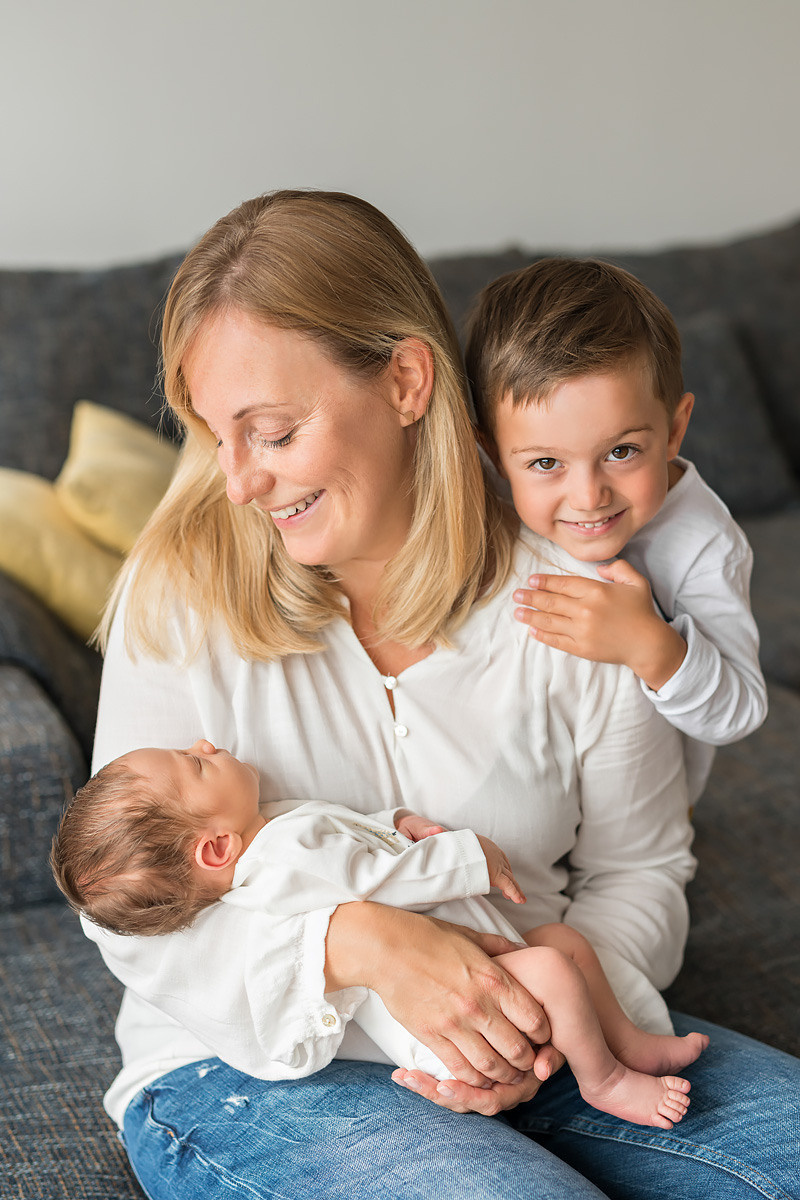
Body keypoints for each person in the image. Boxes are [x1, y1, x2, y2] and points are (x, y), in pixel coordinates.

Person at [84, 189, 800, 1200]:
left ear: (409, 379)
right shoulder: (184, 598)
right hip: (259, 1064)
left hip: (555, 1031)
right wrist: (358, 943)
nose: (240, 482)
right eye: (218, 437)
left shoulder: (580, 600)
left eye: (274, 433)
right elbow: (128, 910)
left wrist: (532, 1025)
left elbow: (638, 869)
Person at [52, 739, 709, 1129]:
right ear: (217, 848)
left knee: (562, 943)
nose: (203, 744)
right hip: (448, 1023)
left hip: (478, 972)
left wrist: (394, 819)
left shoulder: (273, 836)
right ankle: (606, 1082)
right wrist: (468, 855)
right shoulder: (280, 857)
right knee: (557, 968)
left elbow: (346, 837)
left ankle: (631, 1043)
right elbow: (379, 878)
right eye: (192, 764)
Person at [465, 258, 768, 805]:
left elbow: (740, 711)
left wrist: (651, 646)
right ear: (492, 453)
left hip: (635, 805)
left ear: (675, 431)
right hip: (521, 783)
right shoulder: (483, 488)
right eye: (545, 464)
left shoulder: (705, 545)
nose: (588, 497)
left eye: (621, 452)